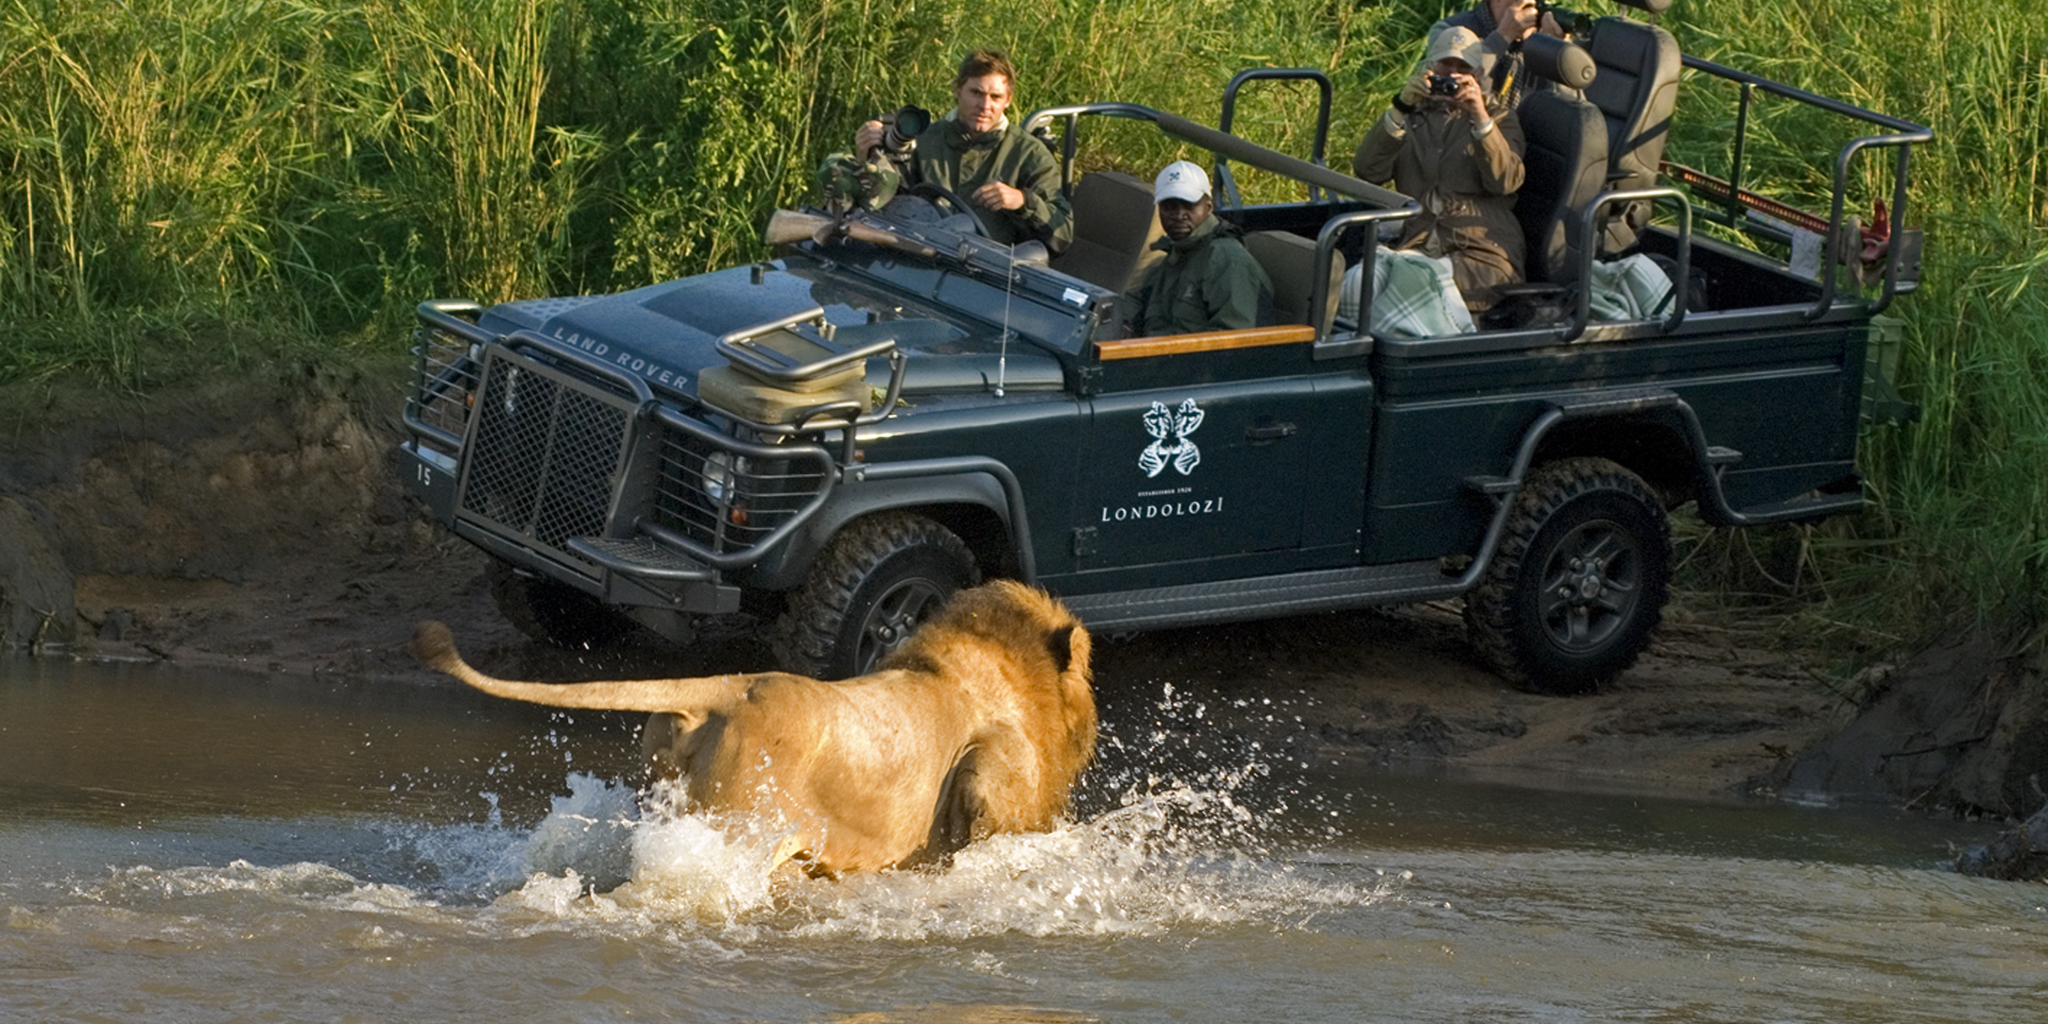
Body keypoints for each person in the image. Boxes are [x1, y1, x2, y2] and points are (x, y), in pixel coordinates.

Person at [1353, 26, 1526, 314]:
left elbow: (1505, 181)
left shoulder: (1501, 118)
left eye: (1463, 68)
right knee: (1357, 283)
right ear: (1430, 68)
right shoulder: (1413, 116)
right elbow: (1368, 169)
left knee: (1409, 286)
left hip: (1478, 253)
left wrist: (1480, 117)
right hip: (1417, 243)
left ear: (1479, 75)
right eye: (1445, 65)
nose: (1452, 76)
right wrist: (1400, 107)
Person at [852, 49, 1073, 252]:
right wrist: (867, 158)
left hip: (989, 275)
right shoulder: (925, 139)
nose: (985, 106)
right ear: (957, 90)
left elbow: (1062, 236)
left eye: (995, 97)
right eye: (976, 93)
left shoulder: (1029, 154)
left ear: (1008, 100)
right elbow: (880, 207)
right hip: (920, 257)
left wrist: (1022, 201)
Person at [1119, 161, 1274, 338]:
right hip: (1156, 354)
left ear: (1208, 207)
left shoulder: (1227, 261)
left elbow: (1233, 342)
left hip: (1190, 361)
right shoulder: (1173, 254)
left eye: (1188, 206)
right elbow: (1135, 302)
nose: (1178, 216)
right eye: (1169, 207)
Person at [1419, 0, 1564, 112]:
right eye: (1525, 6)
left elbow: (1568, 110)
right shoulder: (1450, 31)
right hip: (1465, 137)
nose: (1533, 12)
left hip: (1522, 140)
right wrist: (1501, 37)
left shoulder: (1540, 38)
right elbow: (1449, 89)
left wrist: (1558, 57)